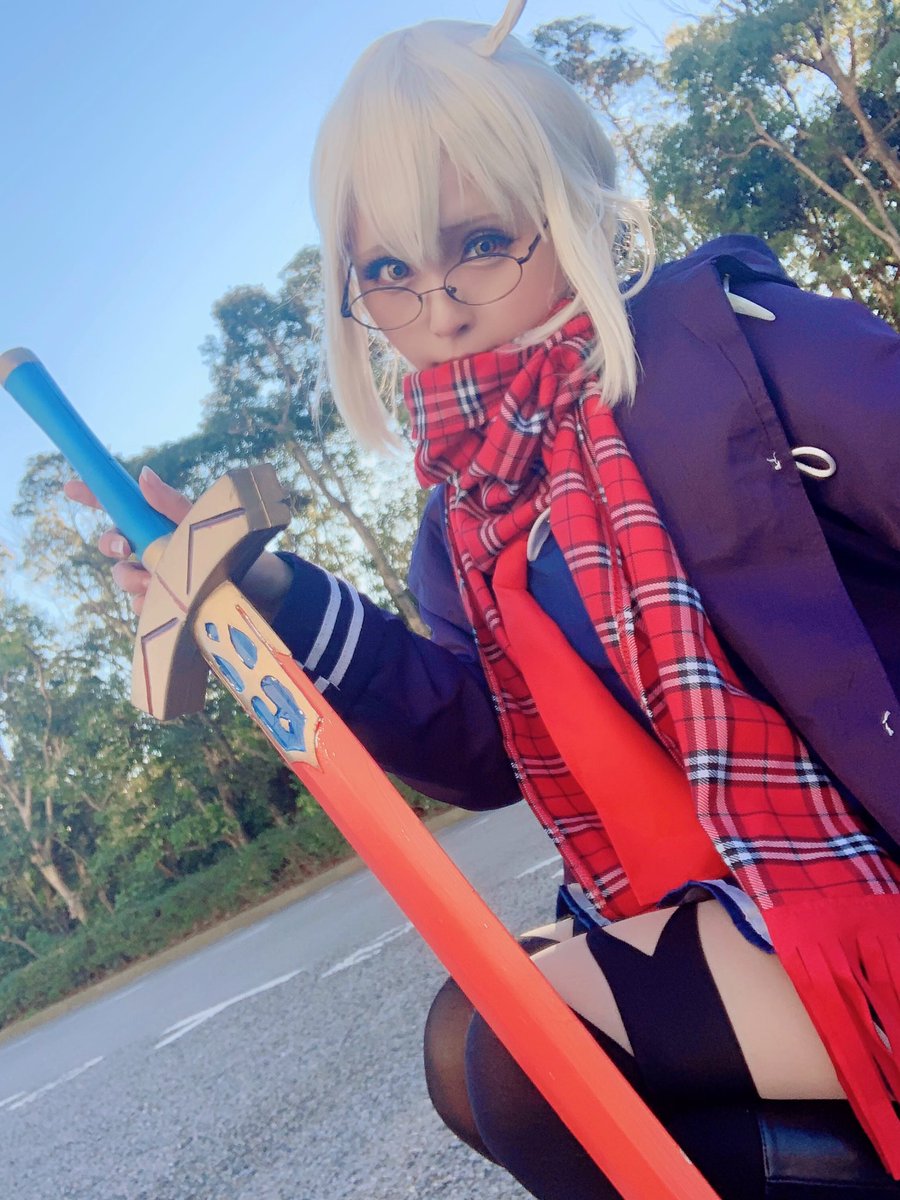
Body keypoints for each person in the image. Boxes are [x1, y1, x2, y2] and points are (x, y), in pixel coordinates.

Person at [67, 2, 900, 1196]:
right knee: (489, 1042)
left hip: (860, 881)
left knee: (518, 1055)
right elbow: (480, 746)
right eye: (389, 272)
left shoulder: (746, 351)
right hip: (729, 897)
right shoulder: (464, 514)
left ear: (566, 201)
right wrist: (265, 590)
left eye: (479, 242)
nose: (441, 307)